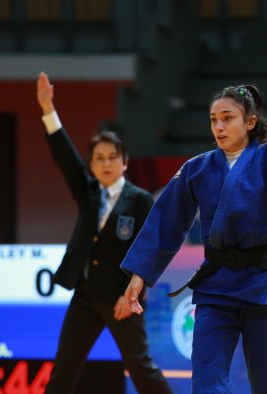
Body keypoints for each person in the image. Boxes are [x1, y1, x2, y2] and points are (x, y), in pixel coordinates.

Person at [121, 67, 267, 393]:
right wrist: (139, 275)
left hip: (261, 286)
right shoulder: (197, 168)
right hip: (215, 287)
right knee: (206, 383)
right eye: (213, 119)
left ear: (250, 122)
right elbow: (166, 221)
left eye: (227, 118)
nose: (218, 126)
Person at [36, 72, 172, 394]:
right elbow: (65, 158)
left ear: (125, 162)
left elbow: (152, 249)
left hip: (122, 298)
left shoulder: (139, 199)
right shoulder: (88, 192)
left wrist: (133, 294)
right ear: (92, 165)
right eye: (99, 158)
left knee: (141, 370)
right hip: (84, 295)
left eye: (113, 157)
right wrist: (47, 109)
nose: (106, 163)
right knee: (64, 369)